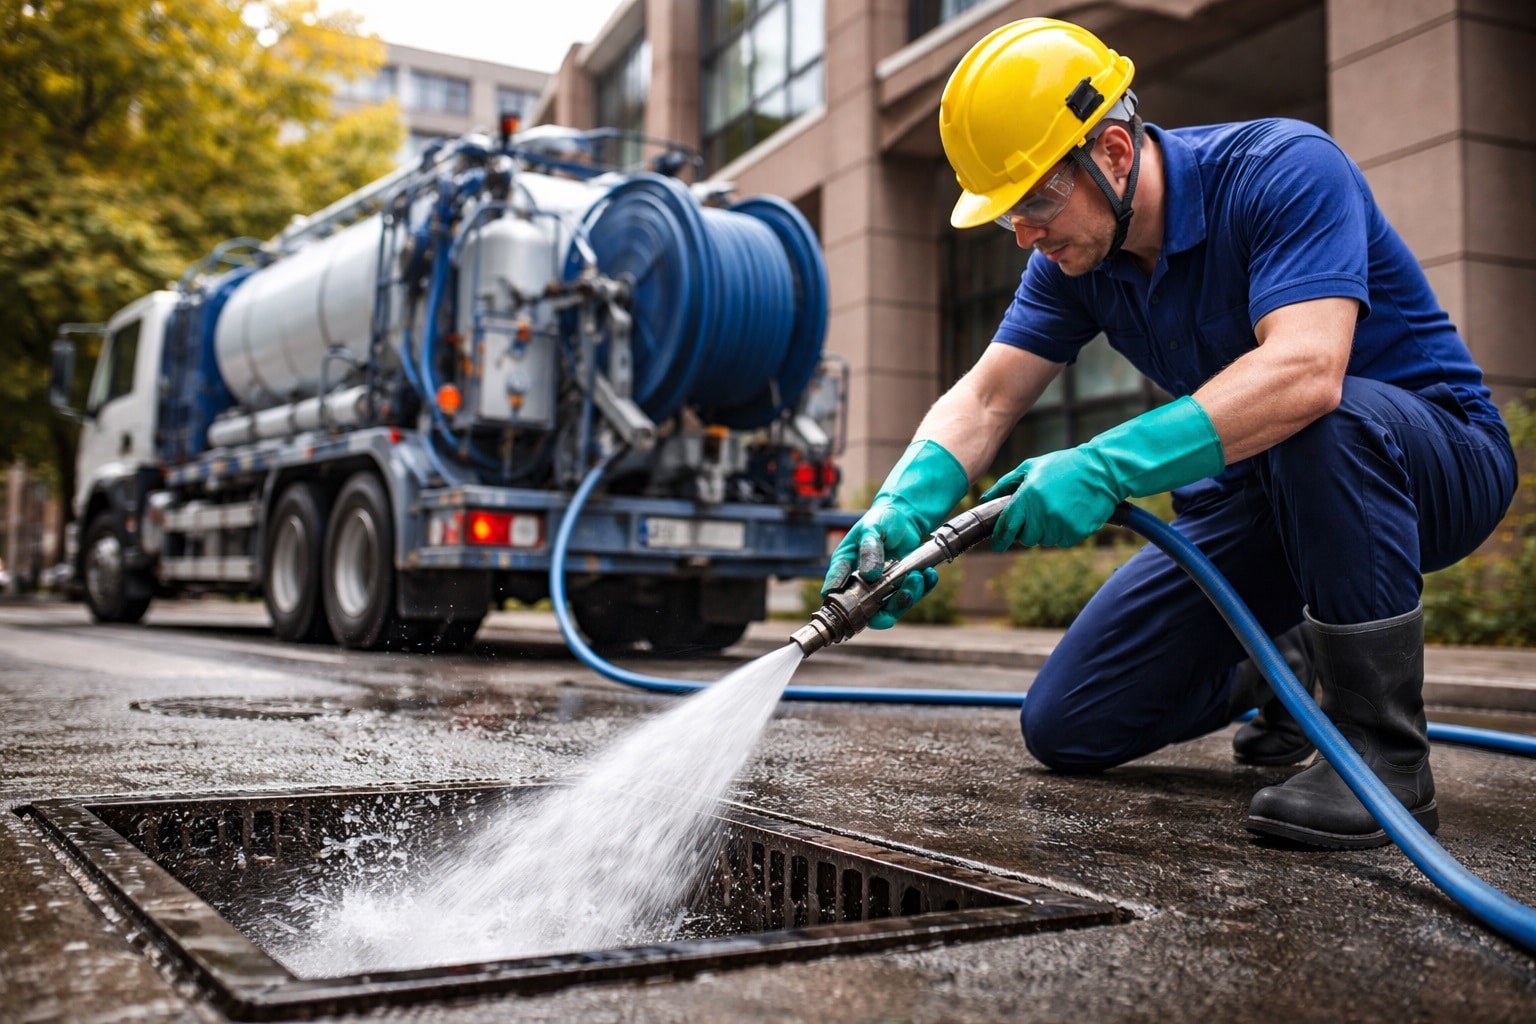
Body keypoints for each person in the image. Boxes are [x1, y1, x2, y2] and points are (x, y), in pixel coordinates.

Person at [823, 18, 1517, 849]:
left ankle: (1383, 755)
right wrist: (903, 506)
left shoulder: (1284, 171)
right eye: (1008, 213)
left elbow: (1305, 371)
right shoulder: (1076, 259)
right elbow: (986, 399)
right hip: (1265, 493)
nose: (1026, 234)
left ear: (1114, 151)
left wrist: (1105, 466)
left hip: (1428, 461)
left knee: (1317, 421)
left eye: (1037, 199)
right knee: (1069, 726)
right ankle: (1283, 661)